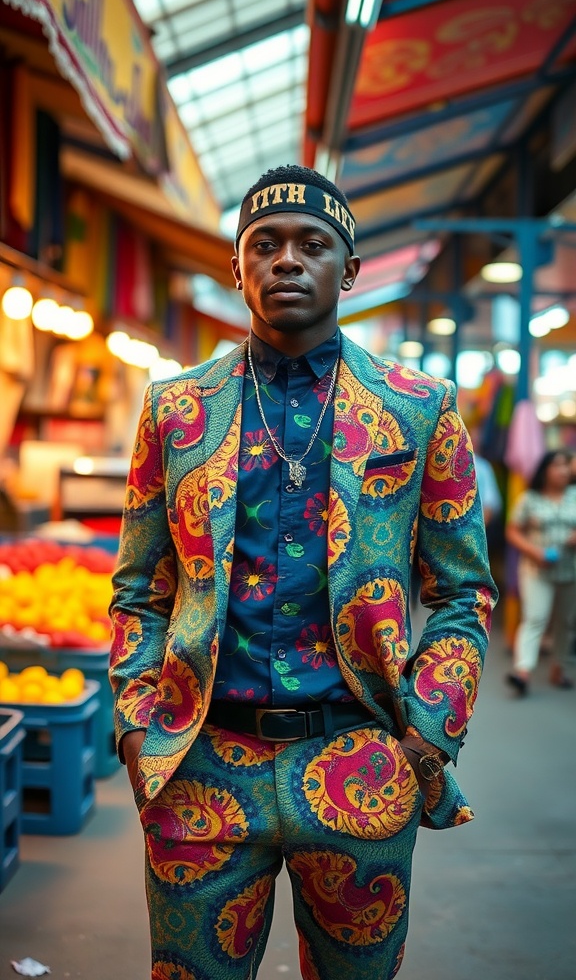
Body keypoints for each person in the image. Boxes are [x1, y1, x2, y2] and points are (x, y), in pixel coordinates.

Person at [109, 165, 497, 980]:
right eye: (266, 245)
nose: (288, 260)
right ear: (238, 268)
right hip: (202, 766)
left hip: (360, 764)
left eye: (313, 245)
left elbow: (462, 592)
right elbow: (139, 589)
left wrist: (427, 733)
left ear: (348, 271)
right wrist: (138, 725)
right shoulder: (176, 408)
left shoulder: (419, 406)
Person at [505, 449, 576, 696]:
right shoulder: (530, 498)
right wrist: (534, 551)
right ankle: (522, 672)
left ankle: (559, 668)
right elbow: (512, 530)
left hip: (571, 571)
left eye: (567, 465)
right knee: (535, 618)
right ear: (545, 469)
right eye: (558, 465)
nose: (564, 470)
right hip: (536, 570)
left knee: (566, 623)